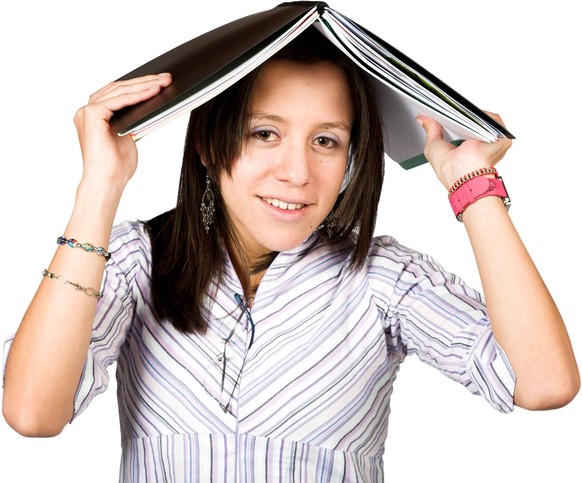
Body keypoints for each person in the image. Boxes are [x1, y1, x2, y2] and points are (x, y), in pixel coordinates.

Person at [2, 25, 579, 482]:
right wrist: (100, 185)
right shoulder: (136, 260)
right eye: (264, 133)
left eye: (326, 141)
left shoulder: (382, 278)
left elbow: (543, 382)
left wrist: (471, 183)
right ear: (208, 141)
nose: (297, 173)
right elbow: (32, 413)